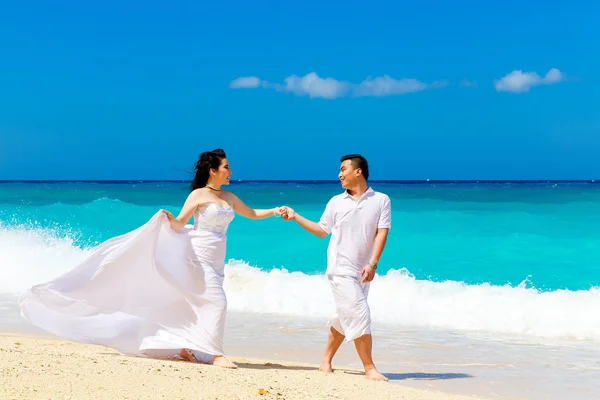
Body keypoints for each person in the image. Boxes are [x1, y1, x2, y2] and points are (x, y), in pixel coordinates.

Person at [19, 148, 285, 369]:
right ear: (212, 170)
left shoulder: (228, 196)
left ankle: (187, 347)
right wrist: (168, 220)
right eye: (226, 167)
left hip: (217, 260)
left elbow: (250, 213)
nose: (230, 171)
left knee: (192, 303)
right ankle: (215, 355)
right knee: (217, 302)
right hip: (197, 256)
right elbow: (181, 224)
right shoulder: (198, 195)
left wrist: (275, 210)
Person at [280, 154, 391, 381]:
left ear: (358, 171)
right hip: (340, 268)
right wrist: (295, 216)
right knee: (360, 313)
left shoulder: (381, 200)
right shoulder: (335, 202)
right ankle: (369, 368)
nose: (339, 174)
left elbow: (382, 232)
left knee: (344, 317)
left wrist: (373, 263)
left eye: (343, 169)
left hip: (363, 271)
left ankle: (325, 361)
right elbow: (321, 230)